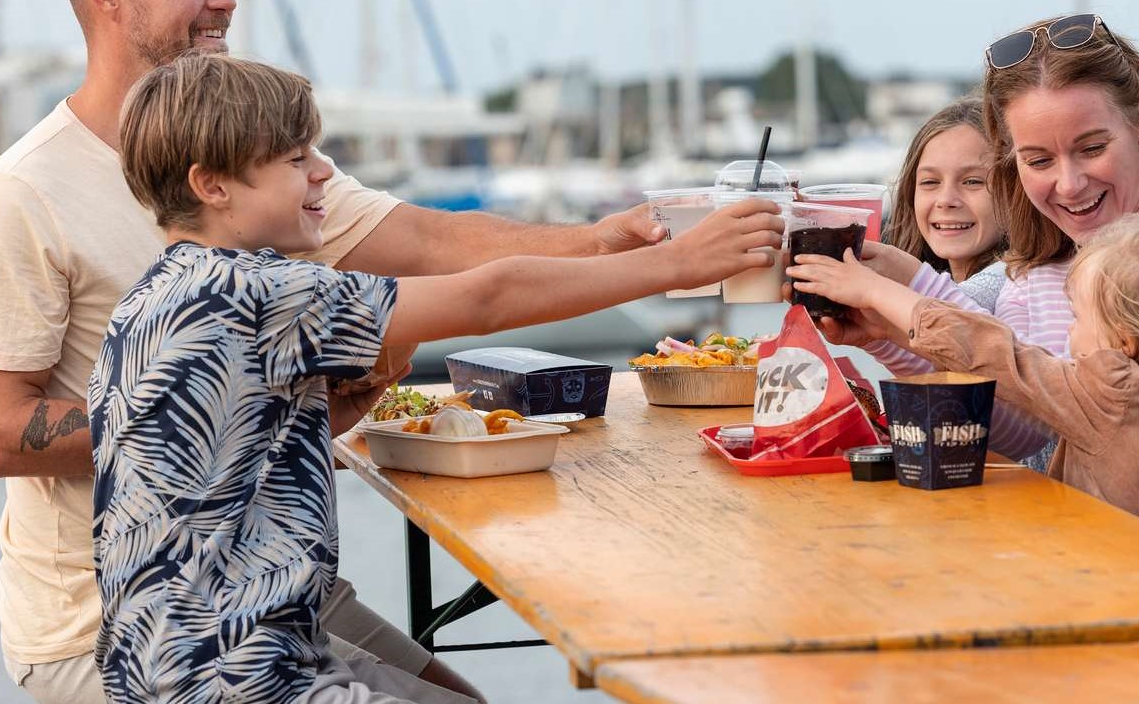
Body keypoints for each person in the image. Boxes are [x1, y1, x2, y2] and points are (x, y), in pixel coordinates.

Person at [0, 0, 668, 704]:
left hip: (274, 583)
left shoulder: (255, 162)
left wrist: (609, 239)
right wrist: (225, 401)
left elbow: (432, 242)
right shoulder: (24, 196)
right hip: (115, 627)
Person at [90, 52, 780, 703]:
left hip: (155, 659)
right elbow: (488, 298)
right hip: (236, 671)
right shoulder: (257, 291)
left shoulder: (148, 302)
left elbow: (220, 459)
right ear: (211, 184)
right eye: (297, 159)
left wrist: (331, 414)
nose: (325, 172)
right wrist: (679, 265)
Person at [821, 14, 1139, 593]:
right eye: (1038, 161)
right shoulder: (1035, 267)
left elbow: (1096, 395)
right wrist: (888, 336)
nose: (1068, 184)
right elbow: (1026, 427)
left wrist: (911, 292)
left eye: (1091, 148)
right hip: (1100, 577)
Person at [791, 213, 1139, 550]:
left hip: (1124, 609)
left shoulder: (1118, 395)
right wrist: (887, 330)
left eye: (1080, 317)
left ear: (1126, 341)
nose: (1070, 333)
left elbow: (1001, 357)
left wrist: (876, 291)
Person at [880, 96, 1006, 311]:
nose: (946, 200)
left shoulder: (1017, 283)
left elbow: (959, 318)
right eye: (930, 182)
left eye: (972, 181)